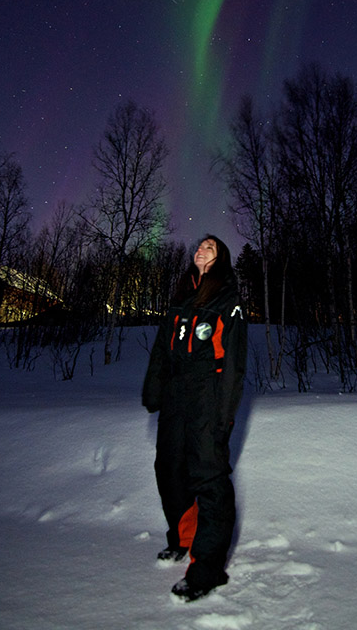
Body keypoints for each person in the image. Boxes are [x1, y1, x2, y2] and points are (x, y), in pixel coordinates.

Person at [142, 235, 247, 602]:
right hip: (176, 397)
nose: (201, 249)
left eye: (211, 247)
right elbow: (161, 349)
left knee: (209, 477)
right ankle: (183, 538)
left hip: (208, 396)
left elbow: (233, 364)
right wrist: (154, 390)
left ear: (220, 259)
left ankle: (208, 569)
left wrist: (224, 417)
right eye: (200, 246)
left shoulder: (227, 301)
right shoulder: (182, 297)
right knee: (169, 469)